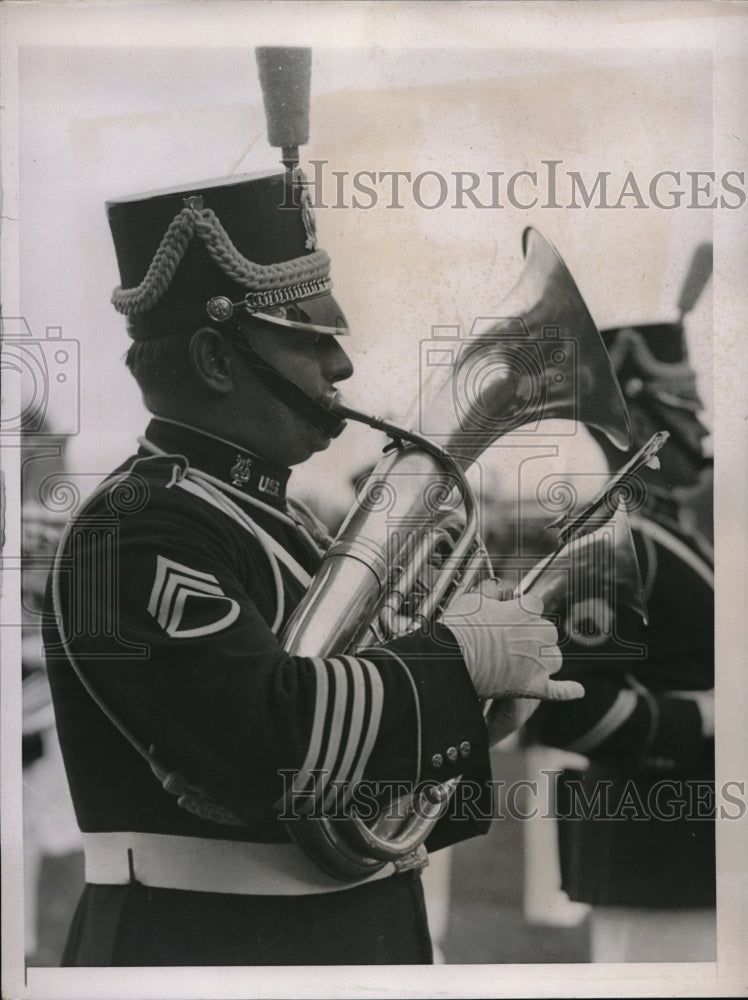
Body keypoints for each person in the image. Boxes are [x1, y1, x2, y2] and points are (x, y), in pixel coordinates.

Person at [43, 166, 582, 966]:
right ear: (217, 361)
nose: (342, 368)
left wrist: (463, 711)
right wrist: (453, 661)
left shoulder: (276, 518)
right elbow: (260, 738)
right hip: (209, 951)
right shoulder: (137, 526)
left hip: (342, 940)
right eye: (309, 339)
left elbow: (339, 756)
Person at [526, 314, 715, 962]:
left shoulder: (668, 536)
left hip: (696, 853)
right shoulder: (612, 543)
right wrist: (710, 716)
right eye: (683, 405)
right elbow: (569, 710)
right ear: (635, 414)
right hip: (654, 856)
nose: (703, 425)